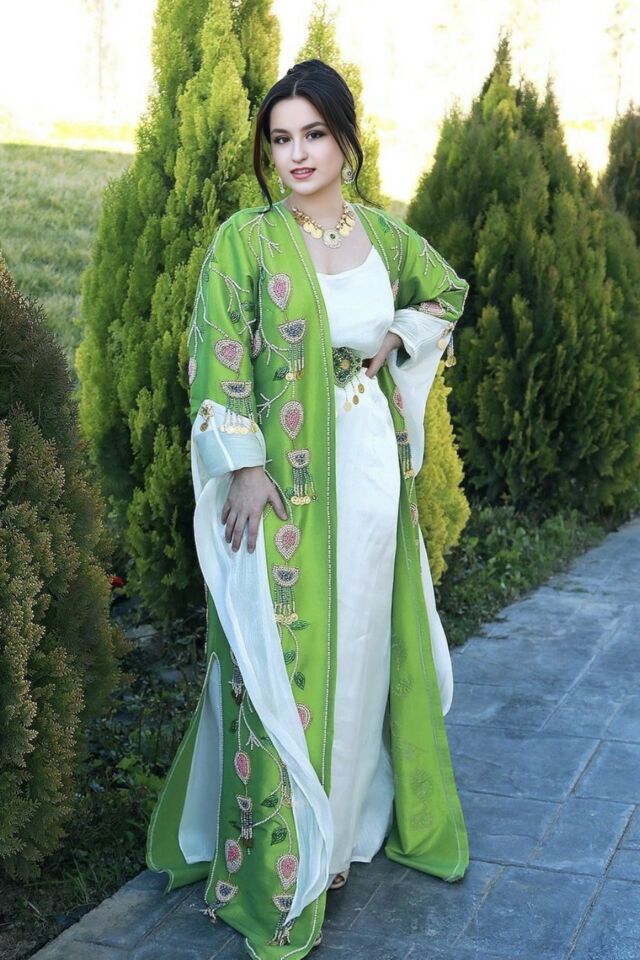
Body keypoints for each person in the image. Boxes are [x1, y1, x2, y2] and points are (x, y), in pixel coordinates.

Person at [146, 58, 470, 960]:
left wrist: (398, 336)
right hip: (281, 480)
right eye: (281, 138)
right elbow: (217, 351)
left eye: (314, 135)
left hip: (368, 471)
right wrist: (243, 466)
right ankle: (282, 854)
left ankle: (343, 833)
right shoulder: (245, 241)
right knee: (282, 654)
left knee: (359, 642)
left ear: (345, 140)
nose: (296, 154)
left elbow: (446, 291)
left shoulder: (384, 236)